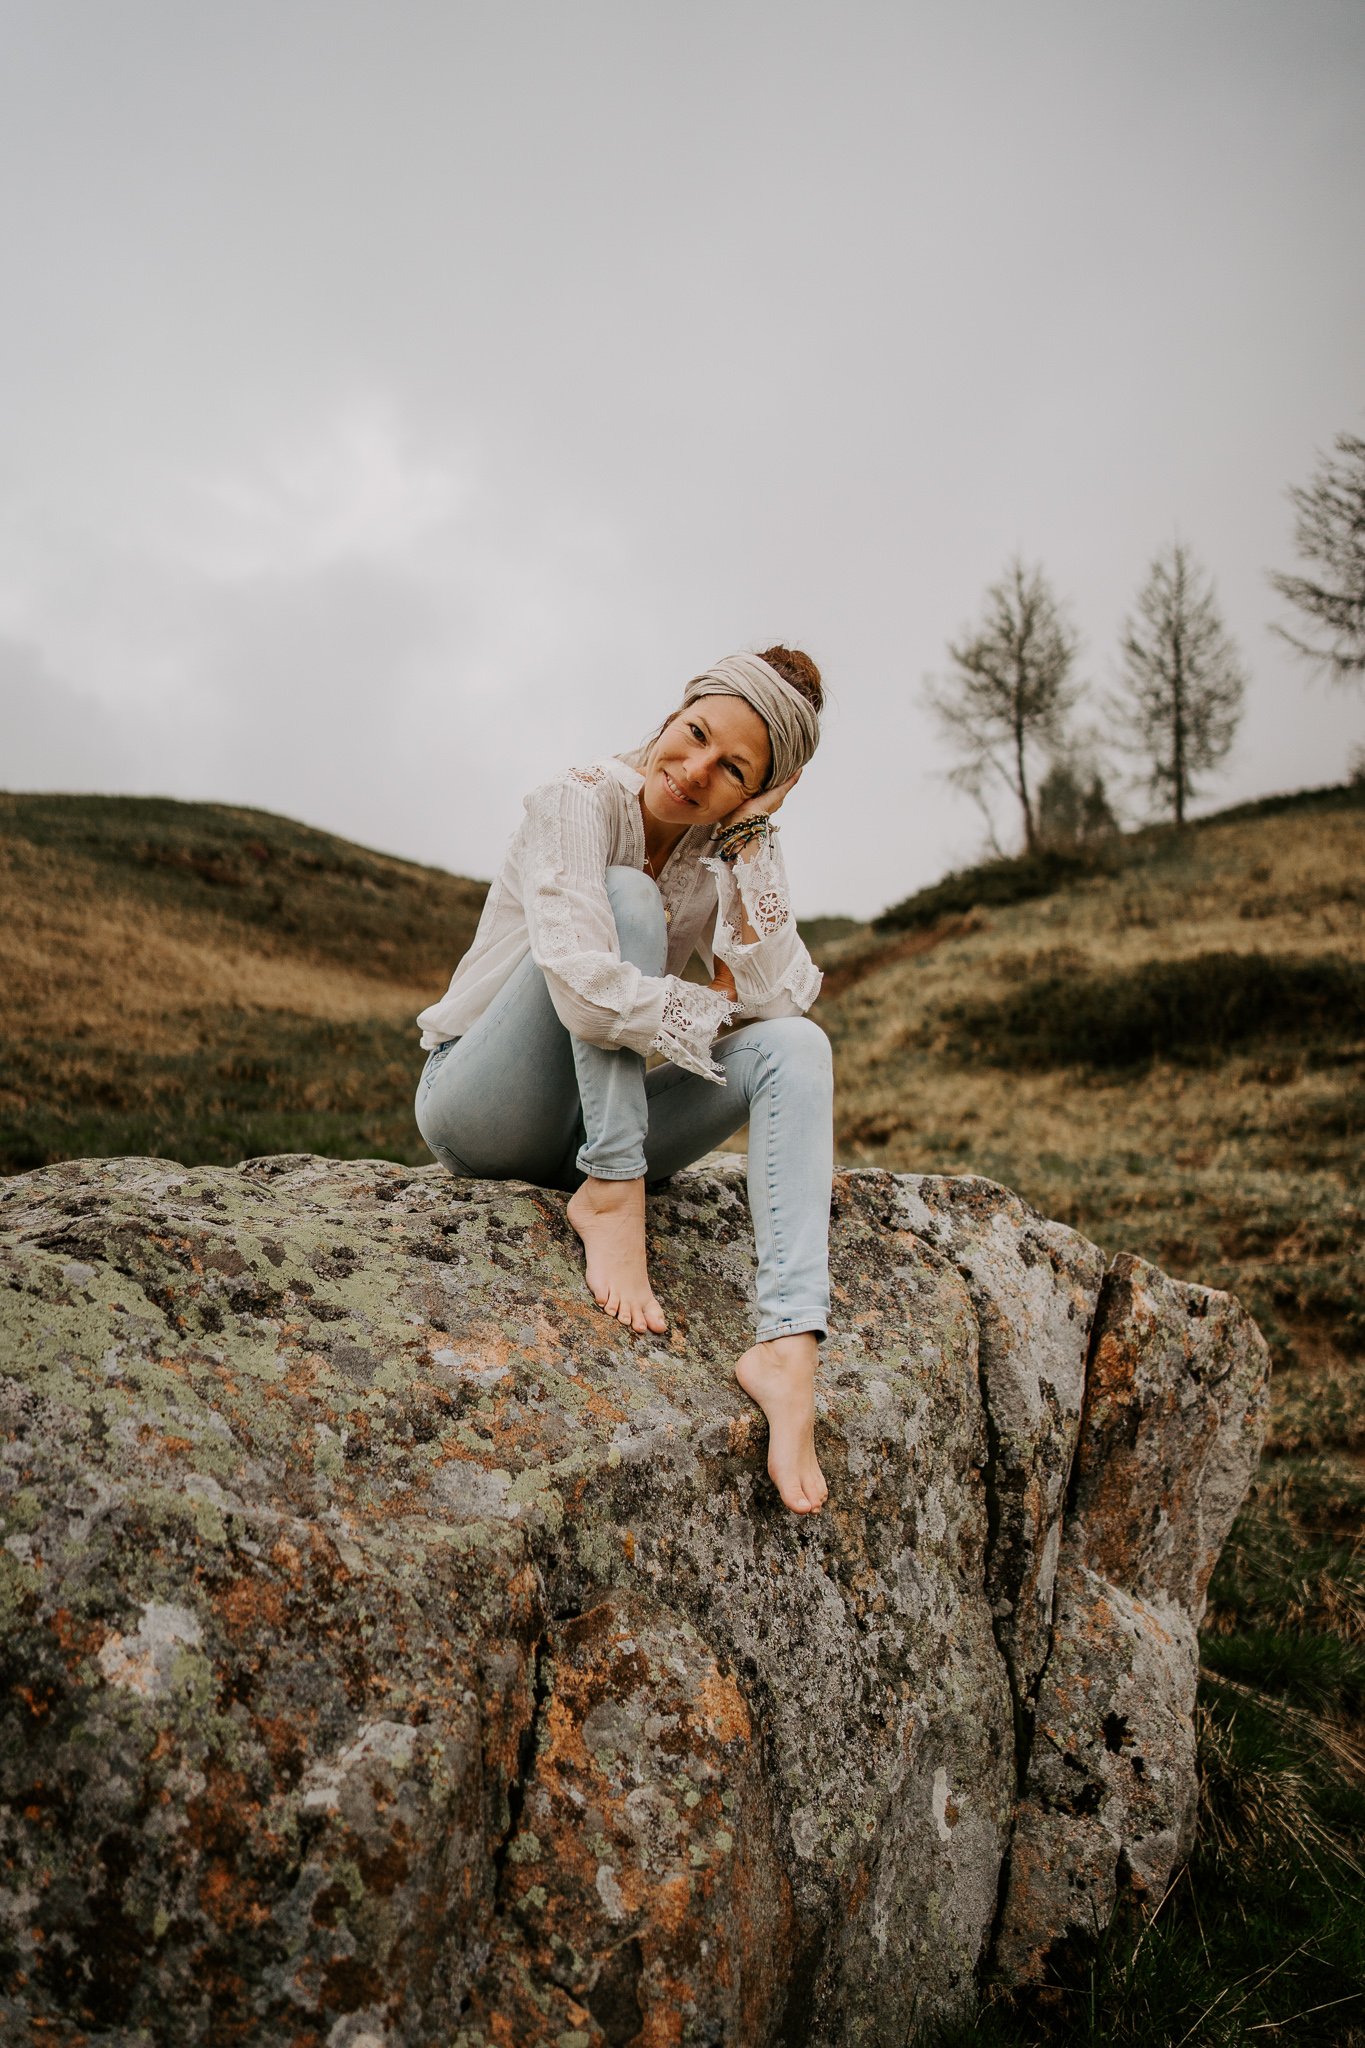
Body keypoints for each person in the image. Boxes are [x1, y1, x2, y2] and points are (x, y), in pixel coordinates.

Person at [414, 648, 834, 1515]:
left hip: (590, 1119)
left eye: (733, 773)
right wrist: (704, 1007)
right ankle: (611, 1188)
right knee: (629, 902)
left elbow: (781, 996)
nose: (692, 773)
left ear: (758, 792)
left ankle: (787, 1347)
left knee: (797, 1048)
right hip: (479, 1106)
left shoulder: (726, 846)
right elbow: (579, 982)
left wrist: (751, 840)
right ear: (675, 713)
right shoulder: (575, 800)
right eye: (693, 736)